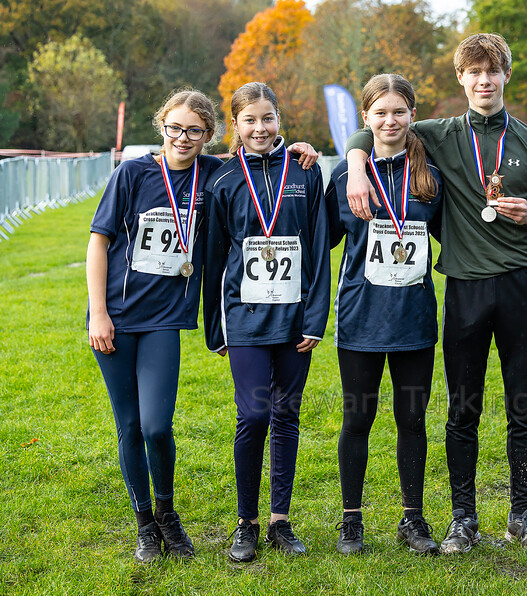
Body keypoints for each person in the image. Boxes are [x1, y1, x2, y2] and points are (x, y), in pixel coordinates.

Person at [344, 33, 527, 554]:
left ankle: (522, 515)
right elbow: (376, 126)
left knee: (524, 406)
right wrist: (355, 165)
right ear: (461, 79)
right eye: (474, 72)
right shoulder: (439, 134)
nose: (484, 81)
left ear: (506, 76)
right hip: (465, 290)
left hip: (521, 288)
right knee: (463, 407)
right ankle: (463, 518)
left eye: (493, 72)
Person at [87, 89, 224, 563]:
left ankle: (168, 514)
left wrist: (298, 149)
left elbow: (257, 151)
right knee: (129, 426)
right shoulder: (133, 173)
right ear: (161, 125)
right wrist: (98, 313)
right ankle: (145, 524)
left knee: (156, 426)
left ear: (207, 136)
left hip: (166, 319)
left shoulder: (213, 173)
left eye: (194, 131)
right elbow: (98, 242)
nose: (182, 138)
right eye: (175, 127)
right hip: (117, 318)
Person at [203, 82, 328, 563]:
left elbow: (317, 250)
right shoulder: (222, 178)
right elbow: (214, 257)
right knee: (253, 415)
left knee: (286, 415)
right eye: (250, 120)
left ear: (280, 120)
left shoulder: (304, 171)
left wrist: (316, 319)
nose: (260, 128)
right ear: (235, 124)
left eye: (268, 119)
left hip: (295, 319)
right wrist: (216, 329)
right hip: (245, 317)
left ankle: (280, 520)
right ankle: (246, 522)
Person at [326, 74, 444, 555]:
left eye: (399, 112)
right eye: (381, 112)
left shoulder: (430, 176)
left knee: (412, 420)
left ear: (412, 115)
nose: (390, 121)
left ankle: (412, 520)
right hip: (360, 320)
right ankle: (351, 520)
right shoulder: (346, 176)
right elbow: (322, 242)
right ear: (366, 118)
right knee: (358, 419)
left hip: (414, 320)